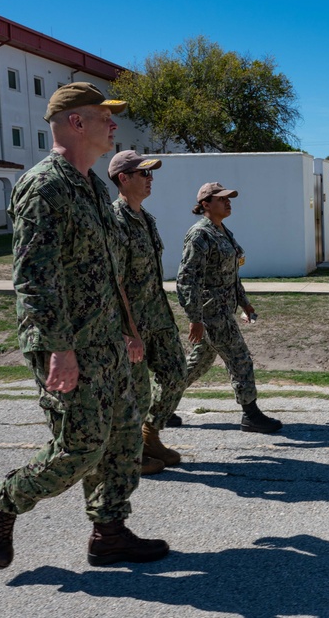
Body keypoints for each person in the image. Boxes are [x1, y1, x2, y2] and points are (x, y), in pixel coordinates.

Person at [0, 82, 168, 570]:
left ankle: (109, 533)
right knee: (80, 447)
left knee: (123, 438)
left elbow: (107, 269)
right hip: (68, 345)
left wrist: (128, 329)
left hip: (107, 339)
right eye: (104, 117)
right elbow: (33, 278)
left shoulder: (94, 186)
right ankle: (1, 500)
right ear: (76, 123)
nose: (113, 124)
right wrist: (58, 349)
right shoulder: (45, 186)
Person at [178, 182, 282, 434]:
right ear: (205, 204)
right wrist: (195, 318)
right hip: (211, 313)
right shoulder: (200, 234)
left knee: (197, 364)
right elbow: (186, 279)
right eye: (222, 199)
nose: (228, 202)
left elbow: (231, 275)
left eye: (229, 198)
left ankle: (160, 406)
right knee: (240, 359)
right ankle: (251, 414)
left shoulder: (222, 231)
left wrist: (244, 302)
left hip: (224, 309)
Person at [108, 150, 188, 475]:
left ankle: (149, 434)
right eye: (144, 174)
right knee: (138, 394)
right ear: (123, 178)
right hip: (133, 324)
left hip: (158, 317)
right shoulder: (114, 221)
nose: (150, 179)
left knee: (176, 374)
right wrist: (130, 333)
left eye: (151, 173)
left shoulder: (146, 218)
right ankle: (129, 454)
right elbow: (117, 281)